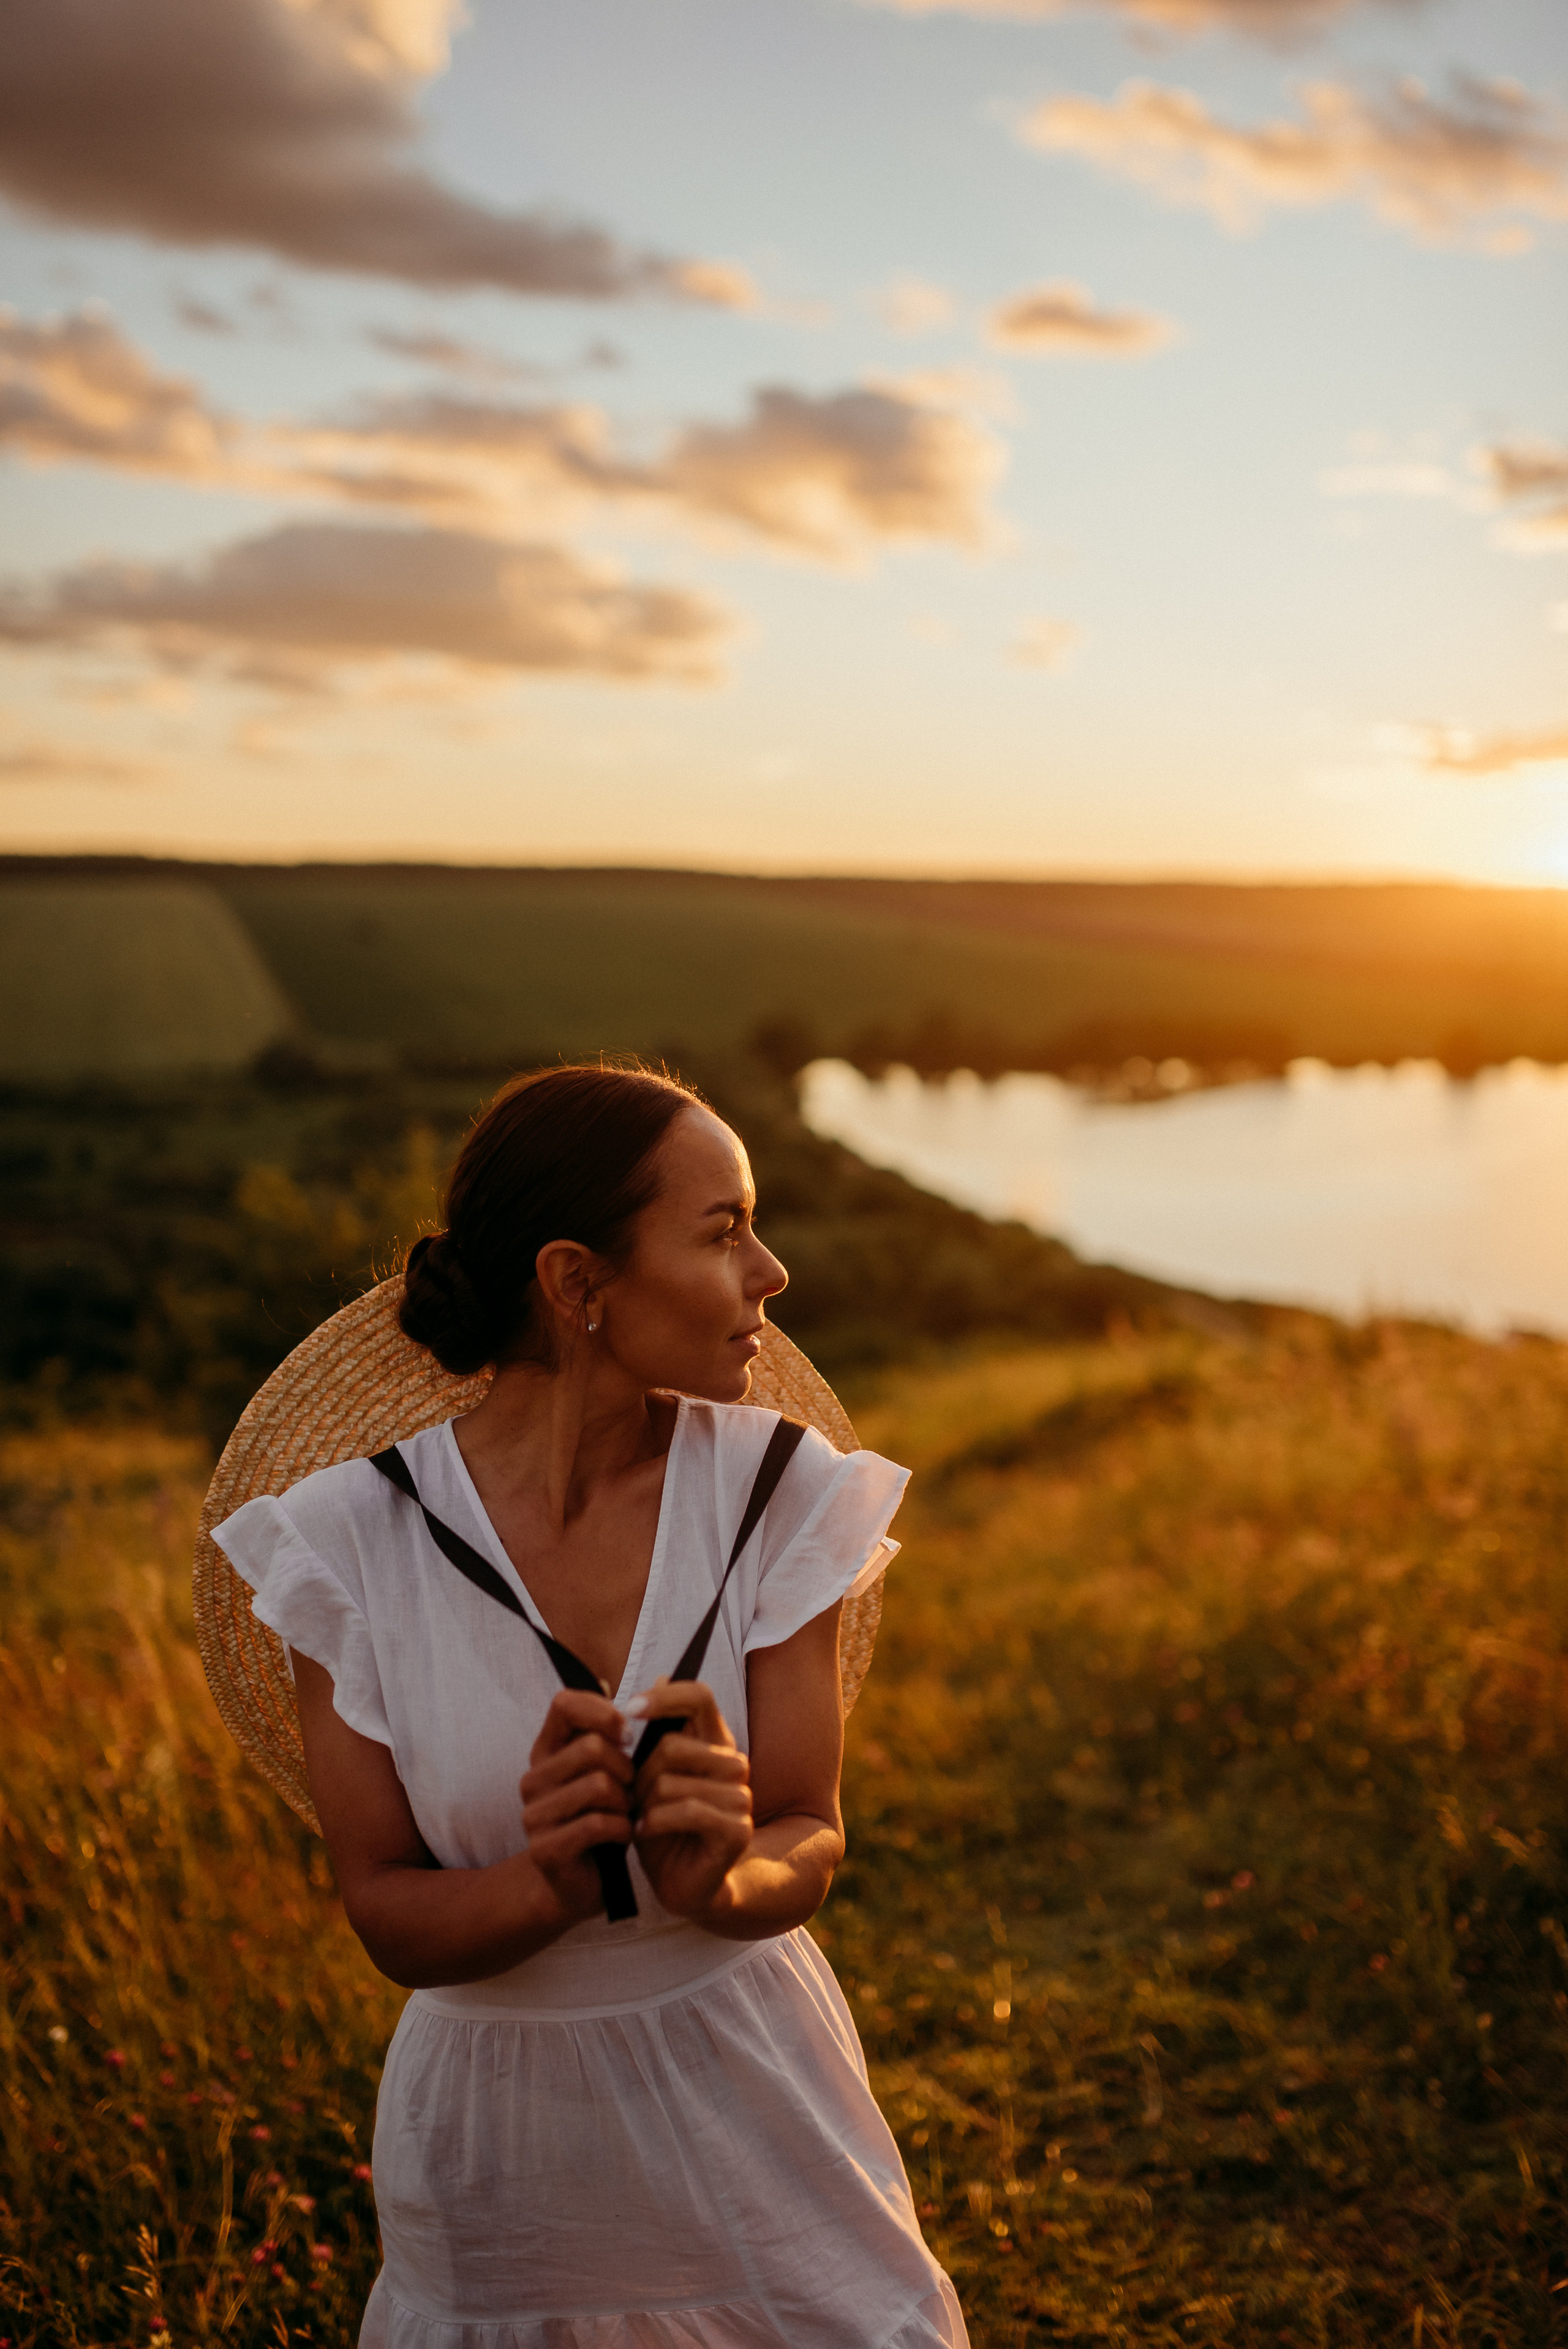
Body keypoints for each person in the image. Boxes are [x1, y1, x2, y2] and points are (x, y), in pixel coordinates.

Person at [213, 1062, 969, 2349]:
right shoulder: (345, 1551)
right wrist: (545, 1884)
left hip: (755, 2108)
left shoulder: (781, 1494)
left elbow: (809, 1827)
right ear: (578, 1286)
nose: (770, 1271)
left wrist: (723, 1882)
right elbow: (386, 1910)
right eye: (724, 1230)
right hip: (501, 2155)